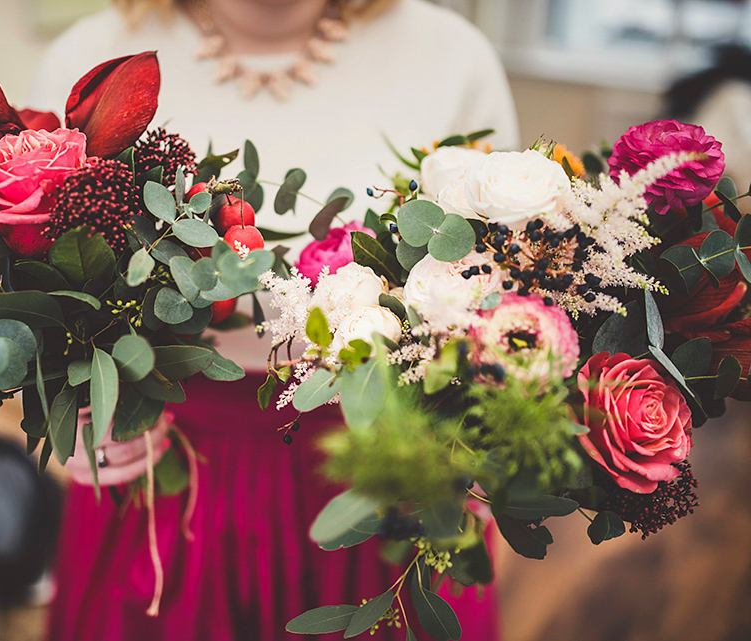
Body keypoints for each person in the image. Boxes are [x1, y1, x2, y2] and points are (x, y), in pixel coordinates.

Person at [28, 1, 518, 639]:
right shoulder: (88, 60)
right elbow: (41, 278)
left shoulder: (455, 57)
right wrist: (80, 407)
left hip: (385, 474)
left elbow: (504, 282)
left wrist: (474, 426)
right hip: (160, 466)